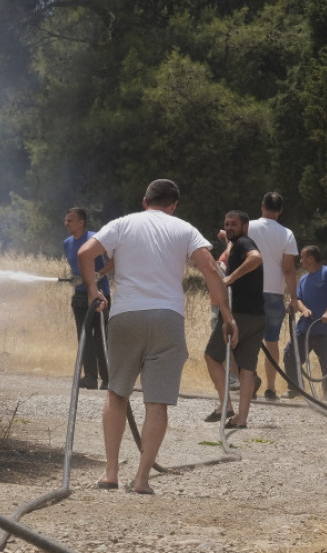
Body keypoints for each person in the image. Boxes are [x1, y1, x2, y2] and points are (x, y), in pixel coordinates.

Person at [77, 179, 237, 495]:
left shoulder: (122, 224)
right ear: (174, 205)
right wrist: (228, 317)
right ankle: (141, 480)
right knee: (157, 402)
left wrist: (94, 290)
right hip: (167, 318)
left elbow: (85, 252)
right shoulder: (185, 230)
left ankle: (110, 473)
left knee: (117, 394)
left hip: (126, 315)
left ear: (144, 200)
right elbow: (211, 271)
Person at [203, 211, 266, 429]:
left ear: (245, 226)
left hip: (238, 314)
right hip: (257, 316)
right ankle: (241, 418)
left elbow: (256, 258)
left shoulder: (243, 243)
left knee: (212, 356)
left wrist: (230, 278)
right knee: (247, 368)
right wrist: (226, 239)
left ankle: (226, 405)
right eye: (226, 223)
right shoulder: (237, 244)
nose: (229, 227)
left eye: (234, 224)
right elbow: (236, 249)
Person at [248, 192, 299, 399]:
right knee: (272, 342)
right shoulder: (287, 234)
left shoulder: (248, 227)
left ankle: (249, 382)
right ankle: (270, 387)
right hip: (274, 294)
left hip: (249, 292)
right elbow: (288, 269)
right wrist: (294, 298)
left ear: (262, 206)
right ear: (280, 211)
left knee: (248, 341)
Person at [283, 245, 327, 400]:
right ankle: (295, 388)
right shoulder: (303, 279)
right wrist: (303, 309)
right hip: (305, 329)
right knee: (290, 356)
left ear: (310, 259)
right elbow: (298, 299)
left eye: (302, 258)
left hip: (326, 330)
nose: (300, 261)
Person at [63, 207, 110, 389]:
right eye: (66, 220)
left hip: (100, 294)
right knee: (84, 337)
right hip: (80, 296)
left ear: (81, 222)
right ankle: (90, 377)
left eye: (70, 221)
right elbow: (76, 267)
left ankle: (108, 379)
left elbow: (113, 260)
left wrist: (99, 274)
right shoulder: (67, 243)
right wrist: (73, 278)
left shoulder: (96, 239)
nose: (66, 224)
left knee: (101, 337)